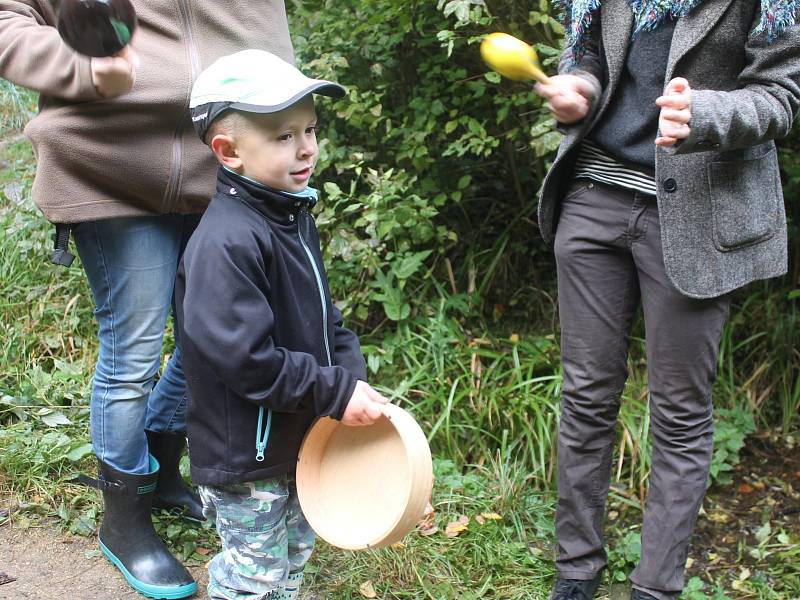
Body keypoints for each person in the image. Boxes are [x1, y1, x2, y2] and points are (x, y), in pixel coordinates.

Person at [0, 2, 295, 597]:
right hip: (106, 168)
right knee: (132, 351)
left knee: (213, 340)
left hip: (226, 165)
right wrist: (81, 66)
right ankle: (124, 518)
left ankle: (161, 469)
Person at [533, 1, 800, 599]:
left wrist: (706, 112)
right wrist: (580, 86)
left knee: (680, 413)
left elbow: (781, 94)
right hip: (593, 197)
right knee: (586, 395)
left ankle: (655, 587)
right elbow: (590, 56)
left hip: (699, 220)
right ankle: (575, 571)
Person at [175, 49, 390, 600]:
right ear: (229, 152)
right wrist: (334, 393)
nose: (307, 148)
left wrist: (350, 380)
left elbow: (327, 319)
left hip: (299, 436)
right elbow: (246, 359)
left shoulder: (291, 216)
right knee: (254, 577)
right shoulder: (225, 242)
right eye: (282, 136)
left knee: (293, 557)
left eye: (310, 129)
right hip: (246, 452)